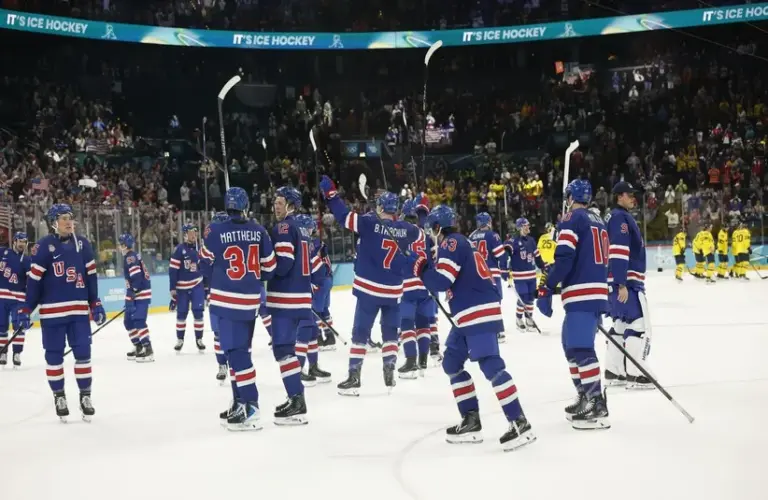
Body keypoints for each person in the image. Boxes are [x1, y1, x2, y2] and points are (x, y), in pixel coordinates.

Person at [406, 205, 536, 451]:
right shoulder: (458, 242)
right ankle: (471, 420)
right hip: (467, 315)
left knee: (491, 366)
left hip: (477, 313)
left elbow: (442, 281)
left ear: (437, 227)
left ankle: (520, 422)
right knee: (451, 363)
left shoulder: (451, 243)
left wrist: (422, 269)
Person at [319, 175, 410, 396]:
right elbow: (420, 242)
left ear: (380, 206)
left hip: (369, 290)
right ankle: (389, 367)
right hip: (393, 291)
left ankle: (354, 377)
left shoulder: (369, 222)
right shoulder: (407, 230)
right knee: (390, 333)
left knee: (360, 333)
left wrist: (331, 195)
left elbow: (342, 216)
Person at [16, 204, 106, 421]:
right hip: (52, 314)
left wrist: (95, 302)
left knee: (83, 354)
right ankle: (59, 396)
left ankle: (85, 396)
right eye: (64, 218)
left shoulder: (83, 245)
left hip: (78, 312)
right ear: (53, 222)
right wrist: (27, 308)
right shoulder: (43, 247)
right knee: (54, 356)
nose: (69, 222)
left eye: (70, 217)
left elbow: (91, 277)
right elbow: (35, 282)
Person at [536, 179, 610, 430]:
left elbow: (565, 259)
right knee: (570, 345)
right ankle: (584, 394)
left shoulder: (571, 219)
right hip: (593, 290)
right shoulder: (597, 220)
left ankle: (597, 403)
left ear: (570, 197)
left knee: (580, 348)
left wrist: (547, 285)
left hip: (582, 291)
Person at [201, 188, 276, 430]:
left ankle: (251, 405)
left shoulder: (215, 230)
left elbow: (204, 262)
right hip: (250, 301)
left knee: (237, 354)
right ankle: (239, 402)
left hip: (226, 301)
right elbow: (270, 267)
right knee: (237, 353)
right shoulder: (259, 230)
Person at [266, 186, 312, 424]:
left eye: (280, 201)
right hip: (300, 296)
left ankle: (297, 400)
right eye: (274, 201)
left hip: (286, 298)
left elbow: (283, 263)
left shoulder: (284, 227)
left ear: (292, 204)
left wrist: (263, 270)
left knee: (283, 349)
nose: (275, 205)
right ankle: (294, 396)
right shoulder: (302, 228)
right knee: (288, 350)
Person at [605, 182, 652, 390]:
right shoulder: (620, 218)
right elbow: (618, 251)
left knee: (620, 325)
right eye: (629, 194)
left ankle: (614, 371)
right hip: (626, 283)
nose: (633, 198)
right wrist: (621, 283)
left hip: (615, 282)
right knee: (638, 324)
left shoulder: (614, 217)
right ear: (618, 197)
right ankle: (636, 374)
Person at [397, 197, 436, 378]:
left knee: (406, 323)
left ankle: (411, 360)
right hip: (425, 284)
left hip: (407, 284)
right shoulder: (426, 236)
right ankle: (423, 360)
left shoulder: (400, 233)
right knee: (423, 323)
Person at [294, 214, 332, 386]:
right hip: (298, 297)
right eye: (309, 228)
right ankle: (298, 370)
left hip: (305, 295)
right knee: (304, 331)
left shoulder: (304, 245)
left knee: (311, 330)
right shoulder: (300, 246)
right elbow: (317, 272)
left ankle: (313, 366)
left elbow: (318, 272)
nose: (312, 231)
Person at [201, 212, 231, 382]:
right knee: (220, 334)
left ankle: (230, 363)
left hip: (228, 295)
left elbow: (203, 266)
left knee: (226, 333)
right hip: (220, 295)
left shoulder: (211, 242)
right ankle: (222, 364)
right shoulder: (212, 243)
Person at [469, 212, 507, 341]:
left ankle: (483, 328)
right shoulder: (493, 235)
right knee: (495, 301)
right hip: (491, 273)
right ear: (488, 221)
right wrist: (505, 270)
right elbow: (501, 255)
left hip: (476, 274)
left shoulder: (471, 236)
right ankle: (497, 330)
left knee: (480, 302)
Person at [506, 218, 548, 333]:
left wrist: (543, 266)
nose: (528, 227)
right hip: (519, 276)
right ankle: (519, 319)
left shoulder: (531, 240)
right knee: (522, 297)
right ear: (520, 227)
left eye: (528, 225)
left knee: (530, 298)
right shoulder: (513, 240)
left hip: (531, 274)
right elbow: (505, 250)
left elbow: (537, 256)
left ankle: (529, 319)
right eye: (525, 225)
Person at [169, 224, 206, 352]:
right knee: (181, 314)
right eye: (191, 232)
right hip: (182, 289)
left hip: (197, 285)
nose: (194, 235)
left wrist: (206, 287)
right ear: (185, 235)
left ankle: (199, 339)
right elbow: (173, 270)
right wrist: (172, 288)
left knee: (198, 312)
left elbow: (205, 268)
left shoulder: (200, 249)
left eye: (195, 232)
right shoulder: (179, 250)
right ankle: (180, 340)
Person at [118, 233, 154, 363]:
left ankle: (148, 348)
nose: (119, 246)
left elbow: (137, 278)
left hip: (141, 293)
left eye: (120, 244)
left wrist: (132, 294)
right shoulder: (130, 256)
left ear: (124, 245)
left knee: (138, 320)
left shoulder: (130, 258)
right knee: (128, 321)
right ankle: (138, 346)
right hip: (134, 293)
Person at [0, 232, 30, 367]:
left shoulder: (27, 260)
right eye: (20, 241)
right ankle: (3, 352)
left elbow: (32, 281)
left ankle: (17, 353)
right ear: (15, 241)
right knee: (1, 326)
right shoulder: (3, 252)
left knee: (19, 326)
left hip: (19, 299)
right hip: (2, 296)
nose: (22, 244)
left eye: (24, 242)